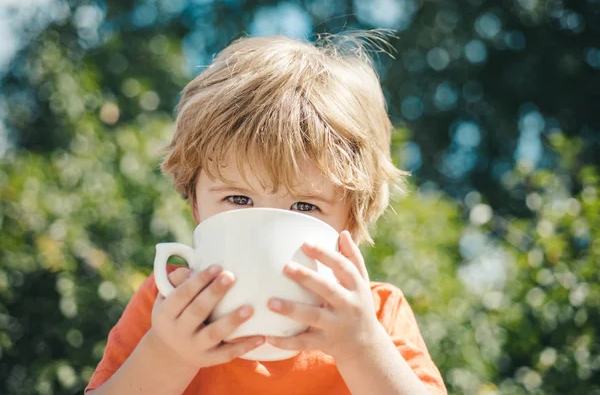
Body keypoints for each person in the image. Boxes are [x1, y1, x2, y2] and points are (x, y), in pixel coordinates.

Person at [85, 32, 447, 395]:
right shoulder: (167, 305)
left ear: (350, 222)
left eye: (305, 207)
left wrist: (362, 346)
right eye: (238, 199)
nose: (264, 226)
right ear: (195, 201)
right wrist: (168, 353)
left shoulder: (377, 316)